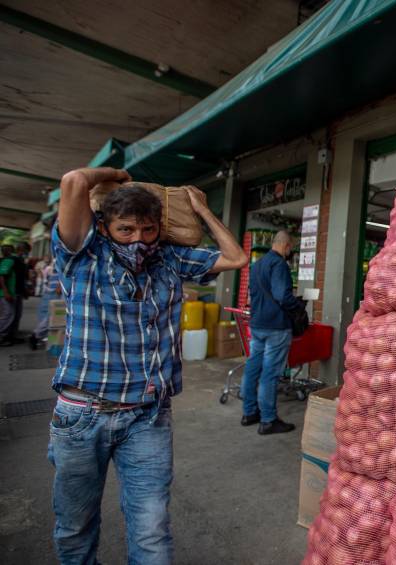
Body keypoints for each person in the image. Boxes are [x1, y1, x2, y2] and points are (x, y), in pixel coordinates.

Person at [49, 167, 247, 565]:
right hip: (83, 415)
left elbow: (236, 256)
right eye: (126, 230)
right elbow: (73, 181)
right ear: (104, 228)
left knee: (152, 531)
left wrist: (201, 210)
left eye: (148, 230)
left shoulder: (170, 260)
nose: (138, 240)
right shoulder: (80, 257)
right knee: (75, 529)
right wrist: (117, 174)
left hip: (148, 417)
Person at [241, 230, 298, 435]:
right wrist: (297, 305)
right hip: (276, 325)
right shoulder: (279, 264)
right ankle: (268, 419)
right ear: (286, 245)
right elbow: (282, 296)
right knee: (270, 373)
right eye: (291, 248)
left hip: (257, 324)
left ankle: (249, 413)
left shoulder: (257, 265)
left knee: (253, 367)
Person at [29, 258, 60, 350]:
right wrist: (59, 286)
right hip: (55, 293)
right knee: (52, 319)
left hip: (52, 292)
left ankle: (51, 342)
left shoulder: (55, 259)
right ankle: (37, 336)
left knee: (54, 320)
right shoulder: (59, 259)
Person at [7, 241, 31, 343]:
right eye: (26, 251)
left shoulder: (20, 260)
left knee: (16, 314)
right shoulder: (13, 260)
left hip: (17, 291)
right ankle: (7, 335)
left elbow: (22, 277)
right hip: (12, 291)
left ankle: (12, 334)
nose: (27, 253)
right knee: (10, 314)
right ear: (22, 249)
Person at [0, 245, 15, 344]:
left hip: (7, 293)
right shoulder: (8, 261)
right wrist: (6, 292)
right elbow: (1, 276)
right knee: (8, 314)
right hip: (4, 294)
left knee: (8, 314)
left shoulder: (7, 260)